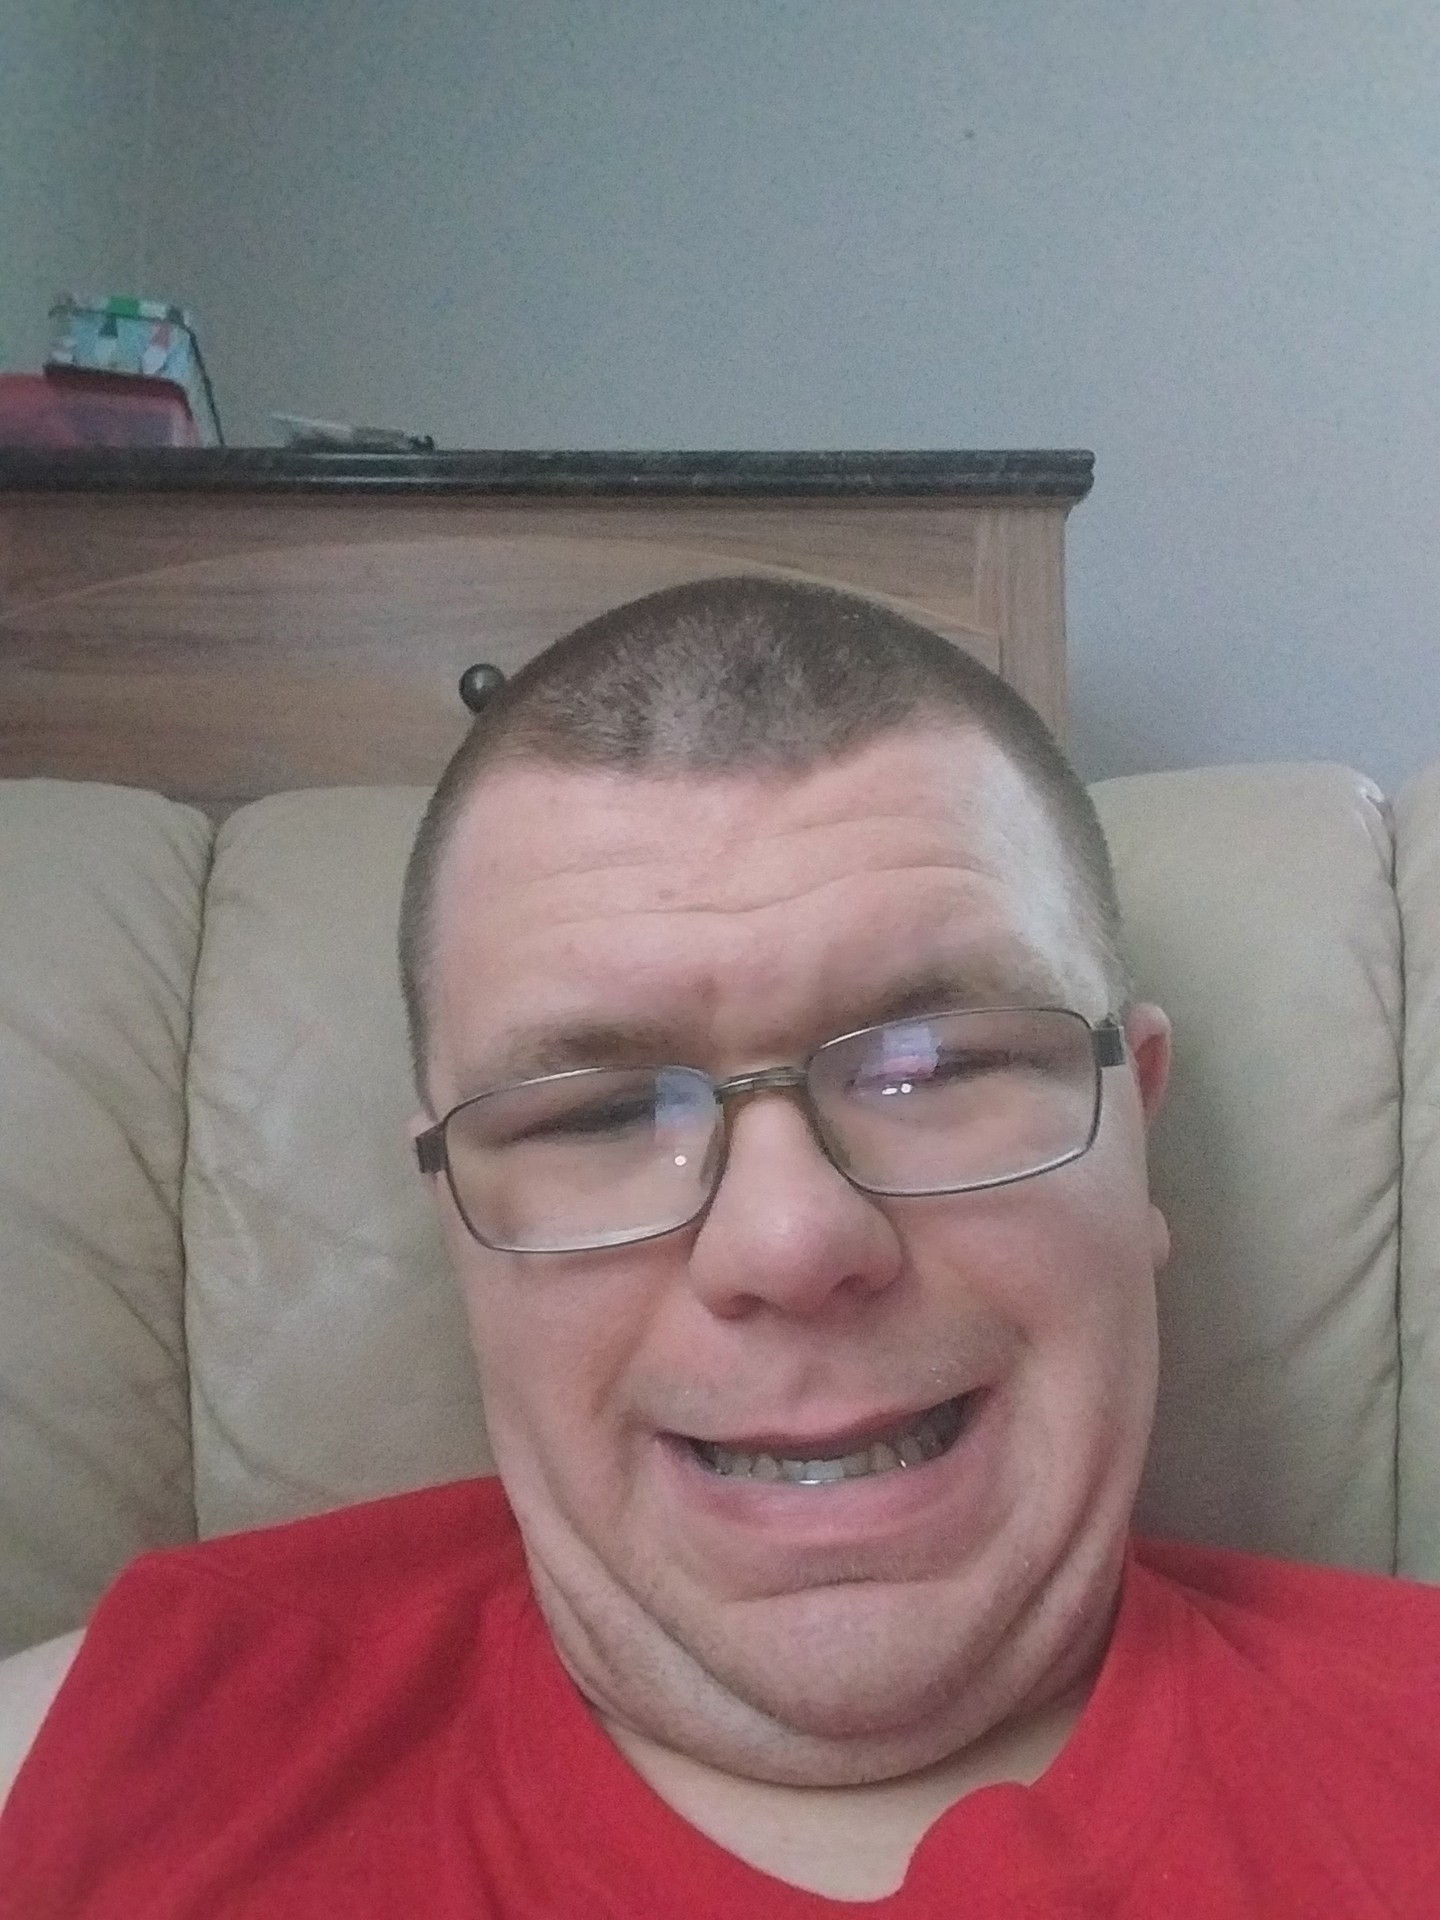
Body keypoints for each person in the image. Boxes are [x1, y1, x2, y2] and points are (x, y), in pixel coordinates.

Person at [1, 575, 1438, 1916]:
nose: (791, 1240)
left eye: (934, 1065)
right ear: (455, 1221)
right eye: (600, 1112)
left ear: (1139, 1135)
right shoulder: (89, 1759)